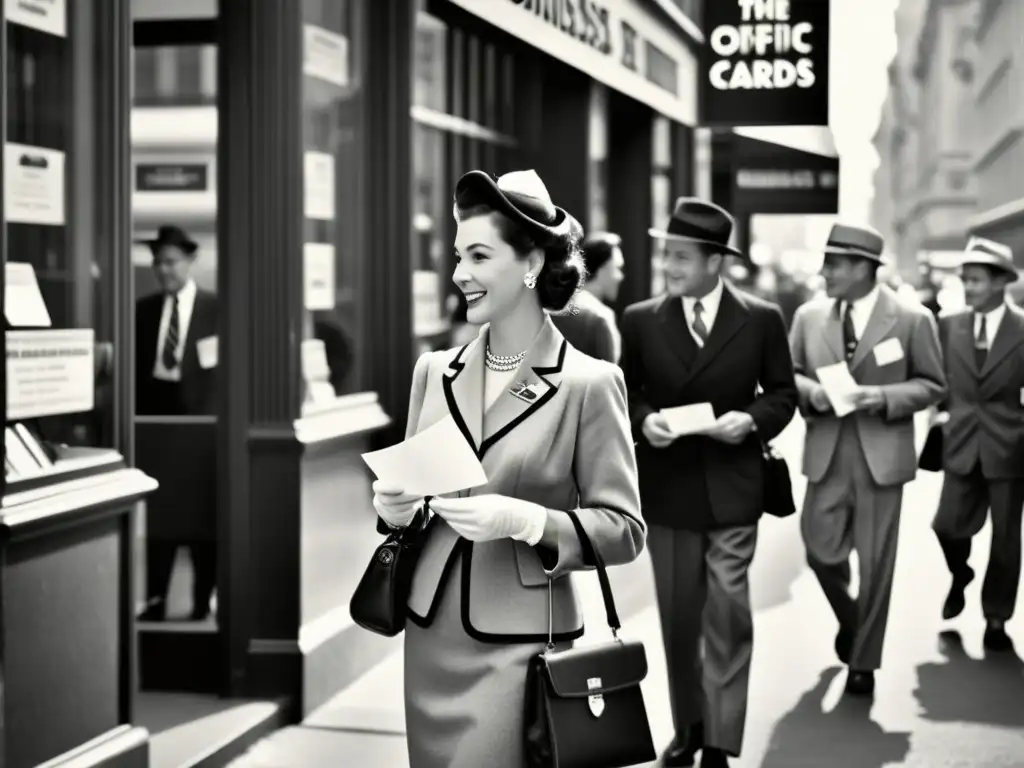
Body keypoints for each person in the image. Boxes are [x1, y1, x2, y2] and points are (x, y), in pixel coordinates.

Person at [370, 169, 646, 768]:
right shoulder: (433, 371)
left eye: (477, 255)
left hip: (522, 645)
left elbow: (624, 530)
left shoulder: (590, 384)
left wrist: (525, 521)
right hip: (431, 630)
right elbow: (415, 498)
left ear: (530, 264)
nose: (458, 273)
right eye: (456, 256)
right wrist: (396, 509)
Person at [620, 198, 797, 768]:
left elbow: (783, 393)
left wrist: (751, 420)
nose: (668, 267)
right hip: (668, 490)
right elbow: (628, 391)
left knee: (727, 613)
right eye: (665, 255)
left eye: (680, 257)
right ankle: (689, 726)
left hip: (733, 486)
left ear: (715, 261)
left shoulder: (762, 318)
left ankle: (720, 737)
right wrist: (645, 420)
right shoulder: (641, 318)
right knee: (677, 618)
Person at [788, 223, 945, 696]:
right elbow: (788, 375)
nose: (823, 273)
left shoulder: (913, 319)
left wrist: (881, 395)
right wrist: (814, 392)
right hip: (827, 450)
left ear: (863, 268)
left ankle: (864, 662)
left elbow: (933, 385)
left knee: (878, 564)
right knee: (819, 551)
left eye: (833, 264)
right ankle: (851, 619)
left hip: (882, 454)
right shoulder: (808, 317)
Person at [932, 237, 1024, 652]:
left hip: (1011, 445)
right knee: (946, 525)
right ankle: (959, 573)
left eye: (977, 280)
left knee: (1006, 539)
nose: (968, 288)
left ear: (1002, 282)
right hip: (961, 440)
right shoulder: (949, 324)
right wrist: (938, 410)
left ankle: (996, 617)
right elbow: (936, 378)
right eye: (965, 280)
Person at [134, 224, 219, 622]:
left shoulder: (215, 309)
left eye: (170, 262)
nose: (163, 270)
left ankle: (203, 599)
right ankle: (155, 600)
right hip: (156, 427)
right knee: (161, 517)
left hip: (202, 429)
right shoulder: (144, 310)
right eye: (157, 263)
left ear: (189, 262)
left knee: (202, 520)